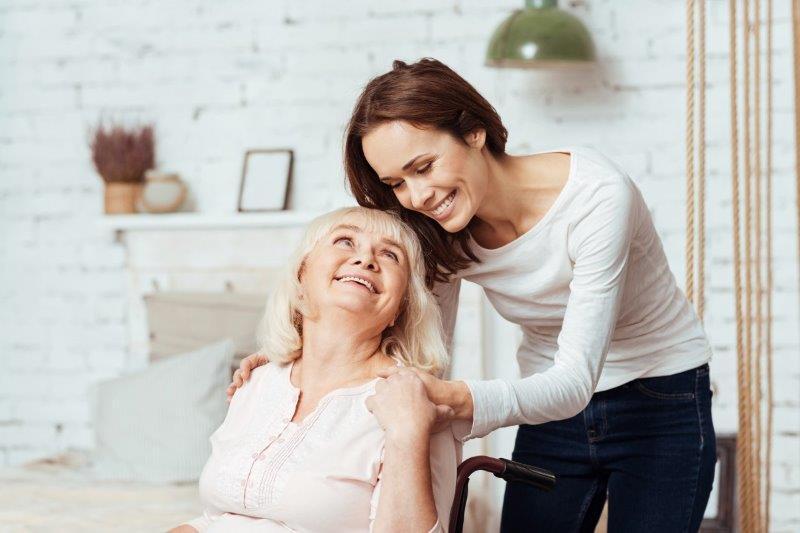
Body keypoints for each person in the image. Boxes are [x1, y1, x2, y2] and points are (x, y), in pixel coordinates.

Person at [231, 58, 716, 532]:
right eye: (396, 183)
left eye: (424, 166)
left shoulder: (598, 198)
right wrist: (297, 366)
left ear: (474, 132)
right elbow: (425, 354)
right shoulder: (437, 224)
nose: (417, 196)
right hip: (545, 399)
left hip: (660, 392)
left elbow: (574, 383)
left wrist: (455, 398)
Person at [172, 207, 460, 533]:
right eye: (345, 241)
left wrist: (408, 433)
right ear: (301, 276)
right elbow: (216, 519)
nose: (366, 259)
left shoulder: (413, 402)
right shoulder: (256, 382)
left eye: (390, 255)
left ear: (400, 307)